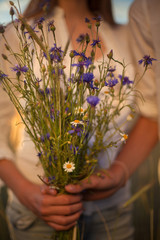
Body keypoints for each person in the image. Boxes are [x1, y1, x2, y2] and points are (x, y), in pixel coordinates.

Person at [0, 0, 150, 239]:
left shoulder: (128, 36)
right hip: (38, 209)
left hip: (112, 213)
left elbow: (152, 113)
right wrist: (26, 192)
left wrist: (120, 173)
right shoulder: (19, 33)